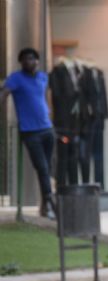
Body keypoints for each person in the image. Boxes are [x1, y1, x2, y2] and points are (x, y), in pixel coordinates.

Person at [0, 47, 55, 219]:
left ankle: (44, 207)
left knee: (46, 168)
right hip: (30, 131)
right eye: (24, 59)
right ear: (20, 62)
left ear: (37, 61)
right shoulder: (15, 78)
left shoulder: (43, 77)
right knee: (42, 167)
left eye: (31, 58)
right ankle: (51, 202)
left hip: (47, 129)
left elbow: (43, 99)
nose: (28, 61)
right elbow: (4, 94)